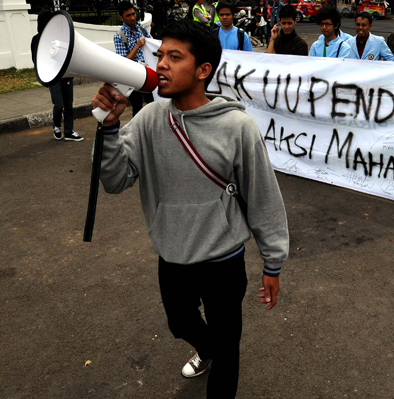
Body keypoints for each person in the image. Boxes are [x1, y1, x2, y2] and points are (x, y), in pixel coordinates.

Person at [91, 19, 289, 398]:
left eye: (174, 57)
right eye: (160, 54)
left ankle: (218, 352)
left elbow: (264, 196)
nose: (161, 64)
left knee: (228, 351)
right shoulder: (148, 119)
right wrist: (110, 129)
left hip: (224, 262)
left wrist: (272, 262)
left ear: (203, 71)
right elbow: (115, 181)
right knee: (180, 323)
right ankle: (207, 347)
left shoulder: (238, 127)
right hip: (173, 257)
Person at [31, 10, 85, 142]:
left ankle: (69, 131)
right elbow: (37, 60)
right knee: (59, 105)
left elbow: (71, 54)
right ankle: (56, 126)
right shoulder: (36, 39)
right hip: (53, 78)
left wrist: (78, 72)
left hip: (66, 76)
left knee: (69, 105)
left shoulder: (61, 36)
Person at [114, 1, 154, 117]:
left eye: (133, 14)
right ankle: (138, 132)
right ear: (121, 17)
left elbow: (151, 43)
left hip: (147, 72)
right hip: (133, 76)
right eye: (128, 15)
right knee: (137, 107)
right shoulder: (119, 36)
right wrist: (137, 46)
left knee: (153, 103)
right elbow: (124, 61)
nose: (132, 17)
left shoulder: (140, 28)